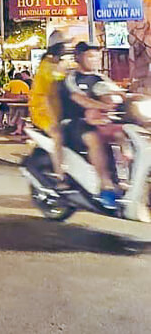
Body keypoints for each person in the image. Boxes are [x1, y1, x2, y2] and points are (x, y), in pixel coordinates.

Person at [60, 42, 119, 209]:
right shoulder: (71, 78)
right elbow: (79, 99)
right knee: (94, 139)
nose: (95, 60)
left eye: (97, 57)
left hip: (99, 121)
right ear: (78, 57)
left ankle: (124, 180)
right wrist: (103, 106)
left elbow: (115, 93)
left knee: (126, 135)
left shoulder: (101, 78)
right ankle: (106, 186)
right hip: (73, 122)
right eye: (90, 56)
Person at [29, 32, 68, 177]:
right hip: (43, 112)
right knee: (58, 136)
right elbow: (45, 97)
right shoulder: (47, 67)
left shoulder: (58, 65)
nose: (65, 48)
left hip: (58, 110)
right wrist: (53, 120)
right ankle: (60, 175)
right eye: (63, 45)